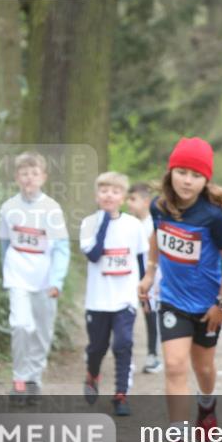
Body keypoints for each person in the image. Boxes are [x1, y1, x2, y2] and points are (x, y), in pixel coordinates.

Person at [138, 137, 222, 442]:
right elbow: (156, 236)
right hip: (172, 301)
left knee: (204, 368)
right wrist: (151, 272)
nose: (187, 180)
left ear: (205, 180)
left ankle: (207, 404)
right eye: (181, 172)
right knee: (174, 365)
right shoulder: (159, 207)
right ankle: (178, 441)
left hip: (208, 305)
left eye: (195, 175)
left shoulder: (212, 217)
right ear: (171, 172)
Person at [0, 151, 70, 401]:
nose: (29, 178)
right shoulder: (8, 207)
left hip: (44, 276)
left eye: (34, 173)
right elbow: (4, 244)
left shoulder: (51, 208)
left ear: (43, 177)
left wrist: (57, 281)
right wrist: (4, 273)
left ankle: (33, 379)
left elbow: (61, 248)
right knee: (20, 325)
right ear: (17, 177)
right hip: (17, 273)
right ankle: (19, 378)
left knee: (41, 330)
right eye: (24, 173)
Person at [80, 172, 148, 416]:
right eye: (104, 190)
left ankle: (121, 394)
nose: (109, 195)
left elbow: (141, 259)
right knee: (97, 347)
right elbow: (94, 254)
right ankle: (92, 374)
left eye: (115, 191)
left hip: (125, 298)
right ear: (97, 196)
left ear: (123, 197)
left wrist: (144, 290)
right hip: (98, 300)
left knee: (123, 343)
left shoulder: (134, 225)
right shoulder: (88, 223)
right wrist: (105, 222)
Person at [127, 182, 163, 373]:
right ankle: (126, 355)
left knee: (151, 314)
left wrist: (151, 277)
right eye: (128, 199)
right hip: (130, 277)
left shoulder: (153, 225)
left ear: (146, 201)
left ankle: (153, 355)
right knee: (127, 315)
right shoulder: (128, 223)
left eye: (133, 199)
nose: (129, 203)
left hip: (150, 278)